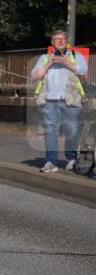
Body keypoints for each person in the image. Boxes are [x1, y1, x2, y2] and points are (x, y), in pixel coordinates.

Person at [31, 29, 88, 172]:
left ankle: (72, 159)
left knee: (71, 130)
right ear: (52, 42)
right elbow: (35, 76)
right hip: (49, 100)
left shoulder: (75, 55)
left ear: (66, 41)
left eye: (63, 38)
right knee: (50, 131)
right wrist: (48, 64)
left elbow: (82, 70)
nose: (60, 41)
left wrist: (66, 62)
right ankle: (50, 162)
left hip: (70, 100)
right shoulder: (45, 57)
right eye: (57, 39)